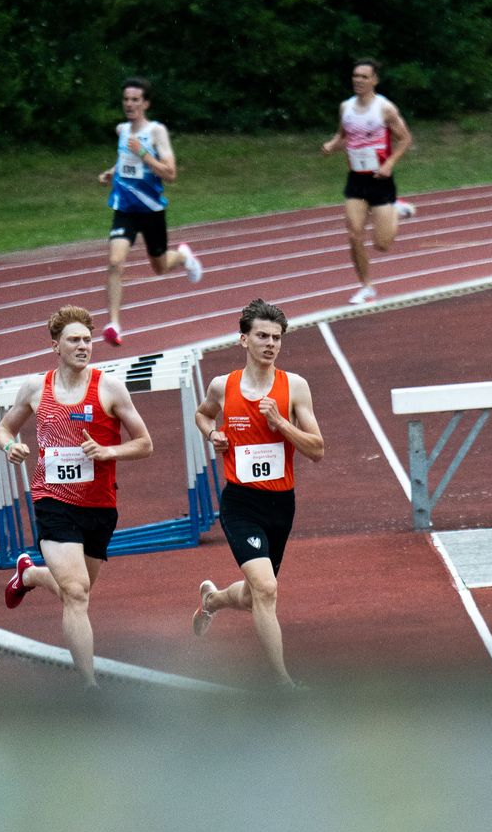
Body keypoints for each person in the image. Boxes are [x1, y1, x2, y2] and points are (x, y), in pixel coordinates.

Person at [0, 305, 153, 685]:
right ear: (56, 345)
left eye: (87, 339)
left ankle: (30, 575)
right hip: (52, 500)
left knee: (75, 590)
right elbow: (4, 429)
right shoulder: (36, 388)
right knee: (77, 592)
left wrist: (109, 451)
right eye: (74, 340)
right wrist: (10, 447)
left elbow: (145, 443)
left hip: (99, 504)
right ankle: (89, 684)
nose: (84, 346)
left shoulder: (110, 388)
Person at [191, 298, 324, 686]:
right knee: (267, 589)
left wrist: (280, 421)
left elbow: (317, 449)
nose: (270, 344)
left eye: (277, 338)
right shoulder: (223, 385)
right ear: (243, 340)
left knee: (254, 596)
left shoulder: (294, 387)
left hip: (281, 503)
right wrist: (211, 433)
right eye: (262, 336)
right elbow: (203, 414)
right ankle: (282, 682)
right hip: (240, 502)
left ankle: (212, 600)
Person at [99, 77, 203, 346]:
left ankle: (181, 256)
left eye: (135, 99)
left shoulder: (156, 132)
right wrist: (112, 173)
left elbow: (171, 174)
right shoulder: (122, 130)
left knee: (158, 266)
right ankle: (113, 324)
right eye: (126, 99)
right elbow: (126, 161)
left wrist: (144, 153)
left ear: (145, 103)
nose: (129, 104)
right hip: (125, 209)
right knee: (114, 262)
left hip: (152, 210)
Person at [321, 60, 416, 305]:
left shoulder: (385, 109)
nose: (358, 80)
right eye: (355, 76)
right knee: (354, 235)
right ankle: (366, 287)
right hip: (356, 181)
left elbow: (405, 139)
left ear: (374, 80)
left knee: (382, 245)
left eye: (364, 77)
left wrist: (389, 163)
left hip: (380, 181)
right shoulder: (346, 108)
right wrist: (332, 146)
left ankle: (395, 208)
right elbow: (343, 136)